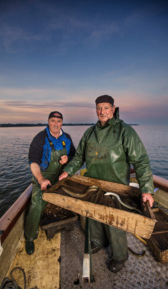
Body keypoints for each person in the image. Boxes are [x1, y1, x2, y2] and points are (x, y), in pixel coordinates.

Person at [59, 95, 154, 273]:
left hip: (116, 186)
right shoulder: (89, 132)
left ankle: (120, 255)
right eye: (99, 108)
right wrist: (67, 171)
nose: (102, 111)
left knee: (114, 220)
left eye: (106, 108)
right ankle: (97, 241)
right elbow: (79, 157)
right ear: (96, 110)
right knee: (93, 214)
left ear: (113, 108)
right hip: (93, 184)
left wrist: (147, 189)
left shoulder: (125, 131)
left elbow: (141, 161)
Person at [25, 111, 76, 255]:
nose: (55, 124)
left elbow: (74, 156)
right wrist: (41, 179)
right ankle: (30, 237)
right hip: (43, 176)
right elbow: (33, 162)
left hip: (60, 176)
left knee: (71, 198)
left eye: (58, 121)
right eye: (53, 121)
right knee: (36, 205)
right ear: (48, 122)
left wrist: (68, 159)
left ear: (62, 123)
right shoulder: (40, 138)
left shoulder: (68, 138)